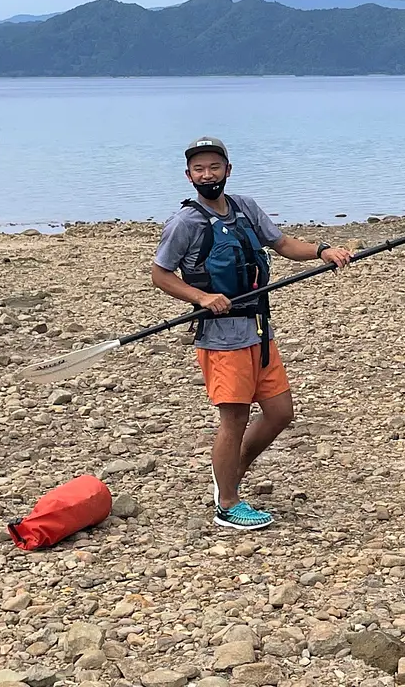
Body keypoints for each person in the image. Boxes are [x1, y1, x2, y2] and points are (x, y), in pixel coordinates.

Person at [151, 136, 352, 530]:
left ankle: (229, 471)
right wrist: (201, 296)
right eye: (199, 169)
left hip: (259, 330)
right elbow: (160, 275)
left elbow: (281, 243)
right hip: (222, 338)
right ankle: (226, 503)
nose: (207, 175)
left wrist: (322, 250)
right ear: (189, 175)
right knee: (235, 419)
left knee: (280, 413)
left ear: (227, 170)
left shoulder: (244, 207)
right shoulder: (185, 222)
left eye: (214, 167)